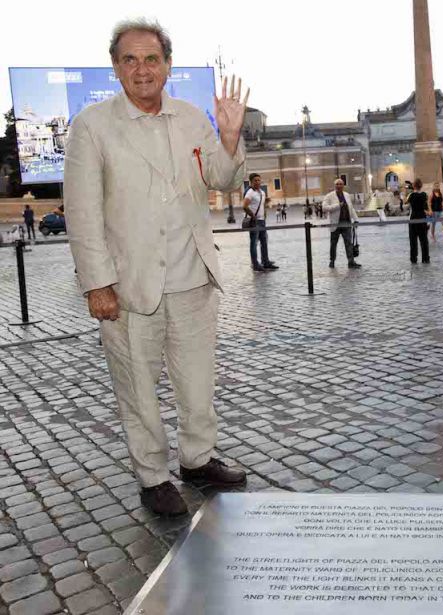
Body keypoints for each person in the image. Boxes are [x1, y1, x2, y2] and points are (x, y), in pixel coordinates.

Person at [64, 19, 248, 516]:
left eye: (151, 59)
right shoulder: (92, 126)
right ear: (116, 68)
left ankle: (197, 459)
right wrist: (97, 283)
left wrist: (230, 140)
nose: (141, 70)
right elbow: (82, 212)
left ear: (168, 65)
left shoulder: (191, 118)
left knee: (197, 381)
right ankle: (152, 476)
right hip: (127, 284)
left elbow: (223, 179)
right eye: (130, 60)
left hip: (192, 278)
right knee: (137, 386)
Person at [323, 178, 361, 268]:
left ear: (343, 186)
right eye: (337, 184)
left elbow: (351, 208)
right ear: (334, 186)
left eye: (341, 184)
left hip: (346, 223)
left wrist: (355, 219)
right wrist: (337, 206)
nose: (339, 186)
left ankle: (351, 262)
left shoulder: (347, 195)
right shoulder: (329, 196)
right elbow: (324, 208)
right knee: (333, 244)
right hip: (335, 224)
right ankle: (332, 261)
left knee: (349, 243)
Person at [243, 173, 278, 271]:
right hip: (255, 221)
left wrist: (266, 201)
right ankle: (255, 264)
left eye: (259, 180)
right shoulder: (250, 192)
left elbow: (260, 204)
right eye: (255, 180)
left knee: (264, 241)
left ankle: (265, 261)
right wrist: (253, 216)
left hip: (262, 221)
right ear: (251, 182)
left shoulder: (262, 192)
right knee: (254, 243)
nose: (258, 182)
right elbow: (245, 206)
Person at [407, 178, 430, 264]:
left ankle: (413, 258)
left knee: (413, 241)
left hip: (413, 219)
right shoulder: (424, 195)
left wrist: (411, 191)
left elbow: (406, 202)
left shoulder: (411, 195)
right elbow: (425, 206)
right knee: (424, 240)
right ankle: (426, 258)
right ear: (421, 186)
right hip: (422, 218)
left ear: (414, 186)